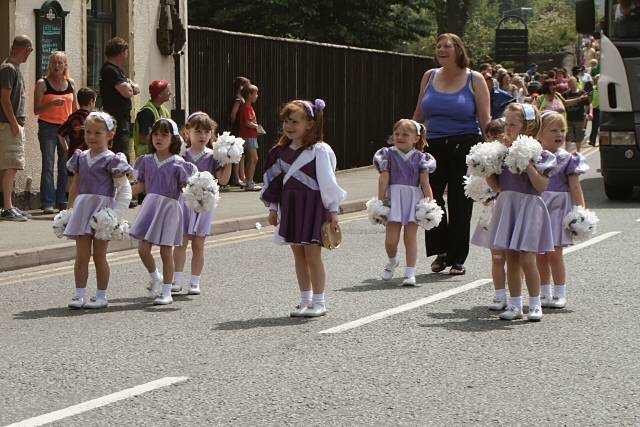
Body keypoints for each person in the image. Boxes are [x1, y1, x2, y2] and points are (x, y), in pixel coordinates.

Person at [412, 33, 491, 276]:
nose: (442, 50)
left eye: (448, 46)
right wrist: (405, 142)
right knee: (432, 199)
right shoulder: (429, 76)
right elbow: (419, 115)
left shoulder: (474, 78)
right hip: (432, 146)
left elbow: (484, 119)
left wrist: (493, 152)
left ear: (459, 50)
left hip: (465, 145)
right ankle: (441, 251)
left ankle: (457, 257)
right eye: (439, 46)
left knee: (460, 201)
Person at [260, 99, 346, 318]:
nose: (289, 126)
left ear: (309, 124)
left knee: (313, 256)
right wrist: (273, 208)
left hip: (313, 206)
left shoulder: (319, 150)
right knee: (298, 256)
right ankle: (305, 300)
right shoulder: (279, 152)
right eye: (286, 121)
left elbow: (328, 183)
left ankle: (320, 301)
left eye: (295, 121)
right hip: (291, 207)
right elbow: (275, 184)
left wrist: (333, 211)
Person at [486, 104, 557, 322]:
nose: (507, 128)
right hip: (508, 205)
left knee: (528, 257)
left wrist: (527, 164)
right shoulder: (503, 153)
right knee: (511, 258)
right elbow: (497, 186)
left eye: (513, 125)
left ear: (529, 126)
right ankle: (515, 304)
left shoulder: (541, 154)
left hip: (529, 207)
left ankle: (535, 303)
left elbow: (541, 186)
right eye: (506, 124)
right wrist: (486, 167)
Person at [64, 112, 132, 309]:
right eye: (88, 132)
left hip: (103, 212)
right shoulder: (80, 157)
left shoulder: (113, 160)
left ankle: (101, 295)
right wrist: (70, 210)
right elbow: (75, 186)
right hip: (83, 209)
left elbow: (124, 188)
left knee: (99, 255)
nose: (91, 137)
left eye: (97, 133)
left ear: (110, 135)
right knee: (81, 255)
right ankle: (79, 294)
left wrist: (115, 215)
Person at [130, 118, 197, 305]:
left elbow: (189, 188)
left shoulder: (179, 163)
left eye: (164, 135)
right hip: (151, 205)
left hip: (169, 208)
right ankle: (155, 276)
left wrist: (200, 195)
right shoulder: (145, 161)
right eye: (156, 134)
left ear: (173, 138)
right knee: (143, 248)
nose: (158, 138)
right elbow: (141, 185)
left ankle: (167, 291)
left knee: (166, 251)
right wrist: (122, 193)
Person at [172, 112, 232, 295]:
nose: (203, 136)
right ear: (187, 132)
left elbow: (222, 180)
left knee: (199, 244)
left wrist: (229, 161)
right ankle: (177, 279)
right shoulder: (182, 155)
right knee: (181, 242)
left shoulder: (214, 156)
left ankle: (195, 281)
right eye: (198, 131)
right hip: (184, 204)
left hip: (205, 205)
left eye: (207, 132)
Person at [373, 119, 436, 286]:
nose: (400, 137)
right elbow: (384, 178)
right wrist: (380, 202)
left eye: (405, 134)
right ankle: (393, 260)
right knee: (391, 240)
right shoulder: (387, 154)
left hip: (413, 199)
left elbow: (425, 183)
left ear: (416, 138)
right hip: (393, 198)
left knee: (410, 237)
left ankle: (410, 273)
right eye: (397, 133)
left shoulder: (422, 158)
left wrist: (429, 205)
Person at [537, 111, 589, 310]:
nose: (559, 133)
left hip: (558, 210)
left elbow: (575, 187)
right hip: (539, 208)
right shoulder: (535, 157)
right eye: (553, 130)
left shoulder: (568, 158)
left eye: (562, 130)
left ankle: (560, 292)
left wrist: (580, 212)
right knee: (539, 254)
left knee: (555, 253)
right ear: (539, 134)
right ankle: (544, 291)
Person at [469, 117, 508, 310]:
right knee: (497, 256)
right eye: (489, 137)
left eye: (497, 136)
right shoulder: (483, 159)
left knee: (517, 257)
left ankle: (520, 295)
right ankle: (500, 295)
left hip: (512, 209)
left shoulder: (511, 157)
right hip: (492, 211)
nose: (493, 141)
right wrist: (482, 194)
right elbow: (476, 185)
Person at [34, 51, 78, 213]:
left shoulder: (71, 83)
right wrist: (51, 105)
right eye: (54, 62)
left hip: (66, 129)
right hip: (48, 127)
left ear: (65, 65)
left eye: (60, 63)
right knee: (48, 164)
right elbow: (36, 109)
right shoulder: (42, 83)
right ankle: (47, 202)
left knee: (64, 165)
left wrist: (78, 126)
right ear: (49, 65)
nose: (57, 66)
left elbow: (75, 109)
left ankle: (62, 200)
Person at [0, 35, 32, 221]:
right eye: (29, 51)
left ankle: (9, 205)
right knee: (11, 166)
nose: (29, 55)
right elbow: (4, 97)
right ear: (24, 49)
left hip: (13, 124)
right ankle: (7, 207)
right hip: (9, 125)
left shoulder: (13, 68)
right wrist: (13, 123)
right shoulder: (8, 68)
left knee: (12, 166)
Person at [99, 37, 140, 163]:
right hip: (116, 119)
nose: (127, 55)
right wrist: (130, 86)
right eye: (126, 52)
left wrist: (130, 86)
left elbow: (136, 89)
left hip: (123, 117)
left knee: (125, 150)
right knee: (121, 153)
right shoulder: (110, 70)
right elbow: (127, 92)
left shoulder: (118, 70)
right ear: (121, 52)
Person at [57, 87, 96, 192]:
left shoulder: (72, 117)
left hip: (73, 154)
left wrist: (66, 148)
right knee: (87, 181)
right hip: (88, 155)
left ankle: (69, 205)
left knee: (71, 181)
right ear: (92, 101)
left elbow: (60, 134)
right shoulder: (93, 119)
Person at [133, 80, 172, 159]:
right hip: (146, 159)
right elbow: (144, 139)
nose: (170, 93)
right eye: (168, 91)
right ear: (160, 94)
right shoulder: (146, 112)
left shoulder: (164, 110)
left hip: (159, 155)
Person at [227, 76, 251, 190]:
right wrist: (234, 124)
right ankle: (236, 178)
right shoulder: (238, 98)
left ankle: (241, 177)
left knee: (241, 153)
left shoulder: (241, 98)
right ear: (241, 87)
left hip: (239, 129)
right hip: (236, 129)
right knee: (237, 153)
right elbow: (233, 114)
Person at [238, 84, 262, 191]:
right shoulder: (247, 107)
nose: (257, 96)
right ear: (249, 95)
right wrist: (258, 127)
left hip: (250, 135)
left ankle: (249, 181)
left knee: (250, 159)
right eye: (255, 93)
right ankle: (250, 182)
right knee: (254, 158)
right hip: (248, 136)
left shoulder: (248, 107)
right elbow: (248, 123)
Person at [564, 77, 591, 152]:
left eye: (572, 83)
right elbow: (563, 104)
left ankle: (578, 152)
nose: (571, 85)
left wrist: (590, 113)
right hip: (569, 118)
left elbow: (589, 104)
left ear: (576, 83)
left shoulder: (582, 93)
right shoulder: (565, 94)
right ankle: (567, 153)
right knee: (568, 136)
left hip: (579, 118)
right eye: (569, 83)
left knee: (578, 136)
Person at [589, 74, 600, 147]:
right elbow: (590, 100)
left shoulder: (605, 88)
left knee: (602, 127)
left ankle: (600, 141)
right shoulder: (593, 89)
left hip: (603, 109)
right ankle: (592, 141)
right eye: (597, 80)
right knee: (595, 126)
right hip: (595, 109)